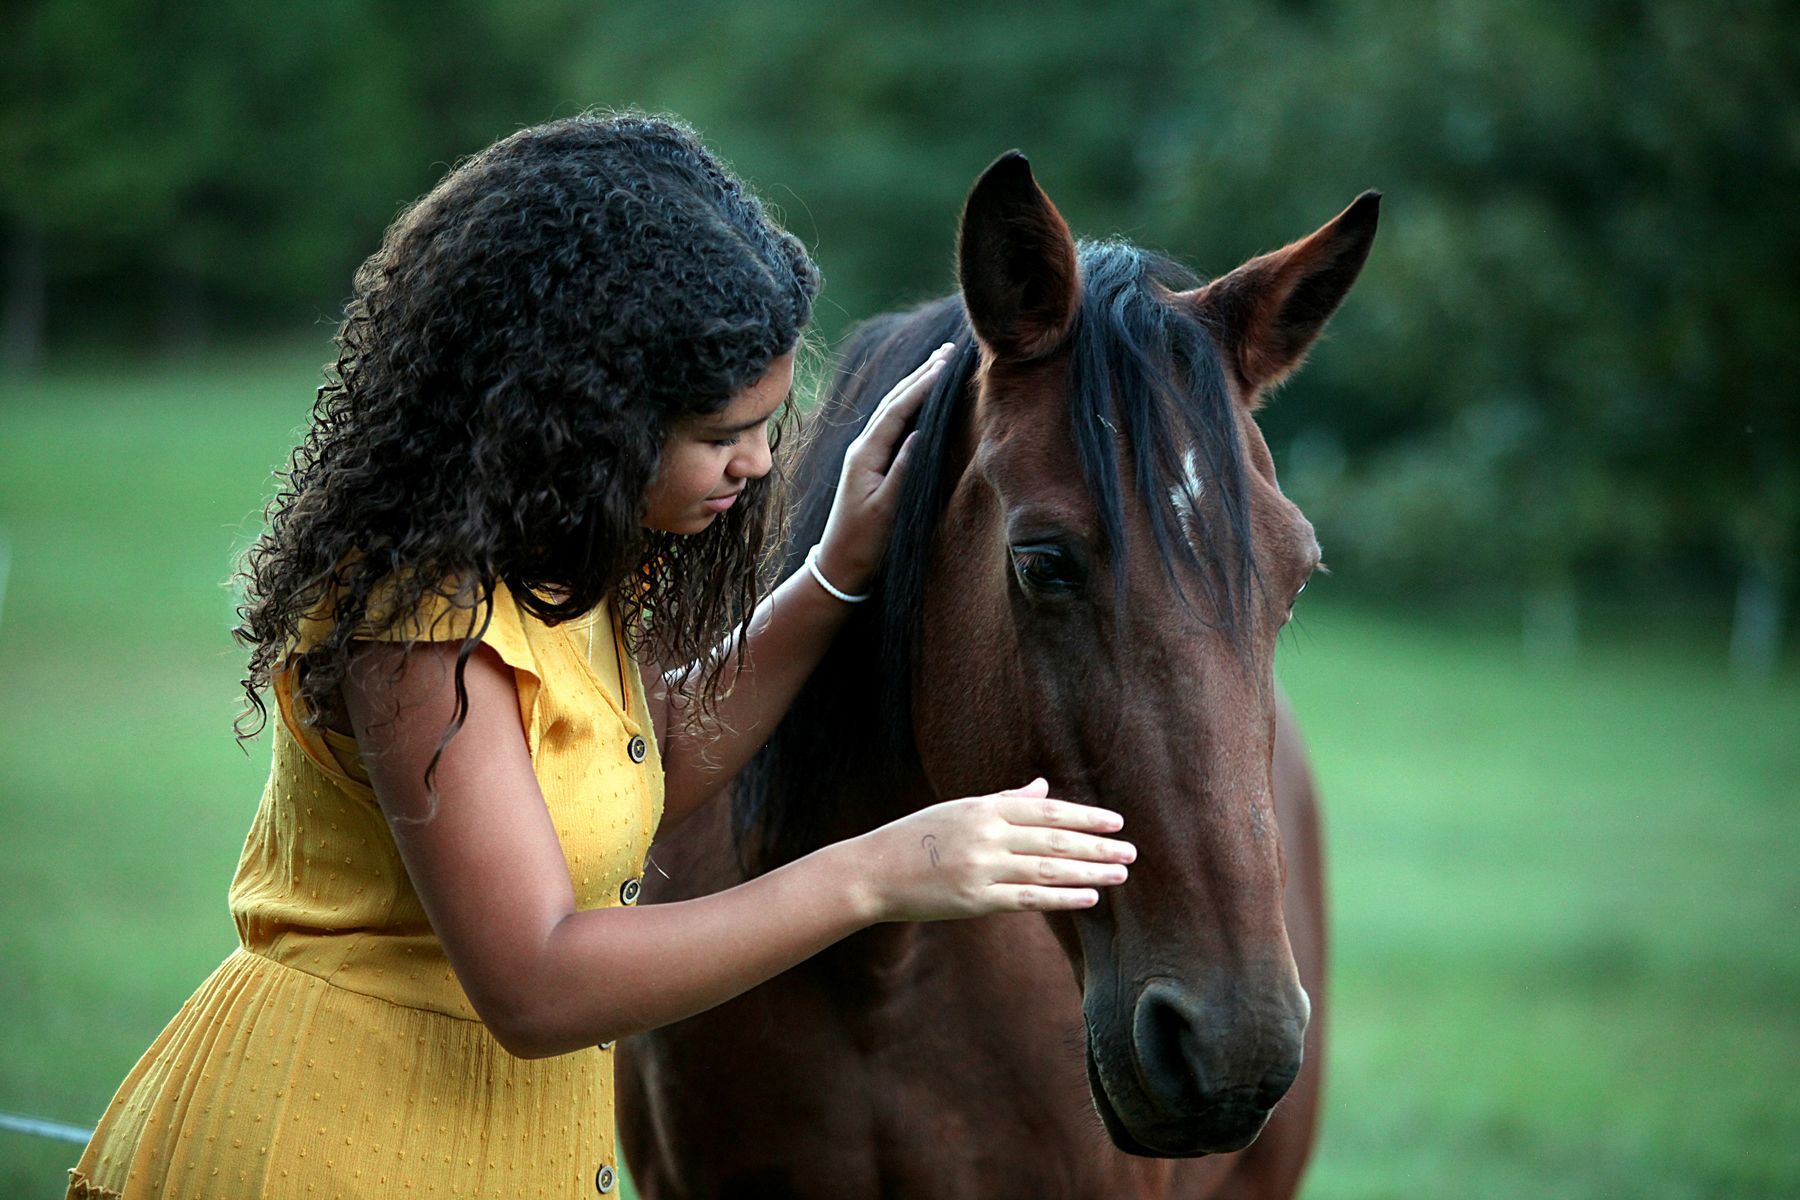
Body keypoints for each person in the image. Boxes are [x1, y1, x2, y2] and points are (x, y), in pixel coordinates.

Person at [66, 113, 1134, 1199]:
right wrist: (881, 872)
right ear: (581, 420)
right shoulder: (420, 621)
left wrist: (836, 571)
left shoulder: (547, 569)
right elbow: (534, 982)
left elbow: (633, 764)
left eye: (770, 423)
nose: (763, 466)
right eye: (723, 434)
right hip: (323, 1145)